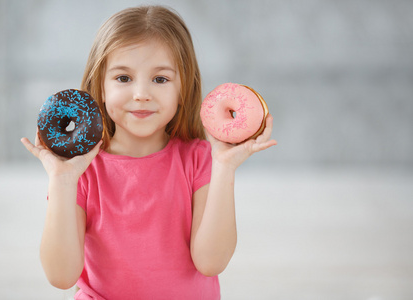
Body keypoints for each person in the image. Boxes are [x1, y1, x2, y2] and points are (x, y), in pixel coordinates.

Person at [21, 5, 276, 299]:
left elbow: (211, 262)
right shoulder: (81, 170)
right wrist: (62, 180)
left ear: (183, 90)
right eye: (123, 78)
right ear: (100, 87)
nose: (141, 93)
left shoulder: (200, 159)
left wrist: (224, 167)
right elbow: (61, 276)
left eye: (160, 79)